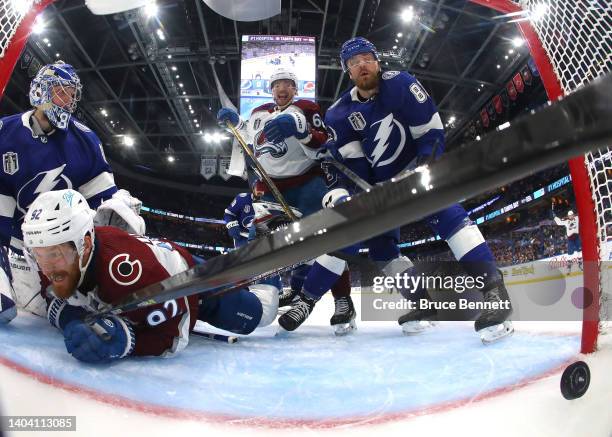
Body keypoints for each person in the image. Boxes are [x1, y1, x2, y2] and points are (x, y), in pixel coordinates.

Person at [283, 37, 513, 343]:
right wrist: (358, 197)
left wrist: (422, 171)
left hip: (416, 171)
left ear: (377, 62)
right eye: (353, 62)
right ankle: (422, 304)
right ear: (347, 71)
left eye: (366, 58)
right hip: (379, 189)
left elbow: (431, 134)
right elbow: (358, 166)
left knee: (447, 213)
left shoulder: (402, 85)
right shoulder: (339, 113)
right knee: (379, 248)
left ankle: (495, 292)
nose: (361, 65)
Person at [21, 189, 279, 363]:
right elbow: (56, 302)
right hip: (154, 267)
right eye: (38, 255)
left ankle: (264, 250)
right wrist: (72, 319)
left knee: (260, 314)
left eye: (54, 254)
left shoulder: (129, 273)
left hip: (190, 282)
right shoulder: (58, 259)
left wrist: (124, 341)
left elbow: (175, 334)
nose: (45, 267)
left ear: (85, 244)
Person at [0, 61, 144, 324]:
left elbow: (103, 204)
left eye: (71, 93)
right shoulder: (4, 132)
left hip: (62, 248)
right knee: (21, 308)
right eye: (60, 91)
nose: (66, 100)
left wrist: (117, 215)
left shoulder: (86, 140)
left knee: (66, 308)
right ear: (39, 92)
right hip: (18, 245)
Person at [217, 67, 354, 334]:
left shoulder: (306, 107)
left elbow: (324, 144)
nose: (282, 88)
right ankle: (272, 287)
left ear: (295, 89)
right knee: (260, 229)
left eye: (288, 84)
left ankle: (343, 300)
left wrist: (301, 131)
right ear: (271, 89)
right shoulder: (258, 113)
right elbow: (249, 137)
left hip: (307, 186)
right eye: (277, 84)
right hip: (270, 190)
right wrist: (235, 122)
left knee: (327, 241)